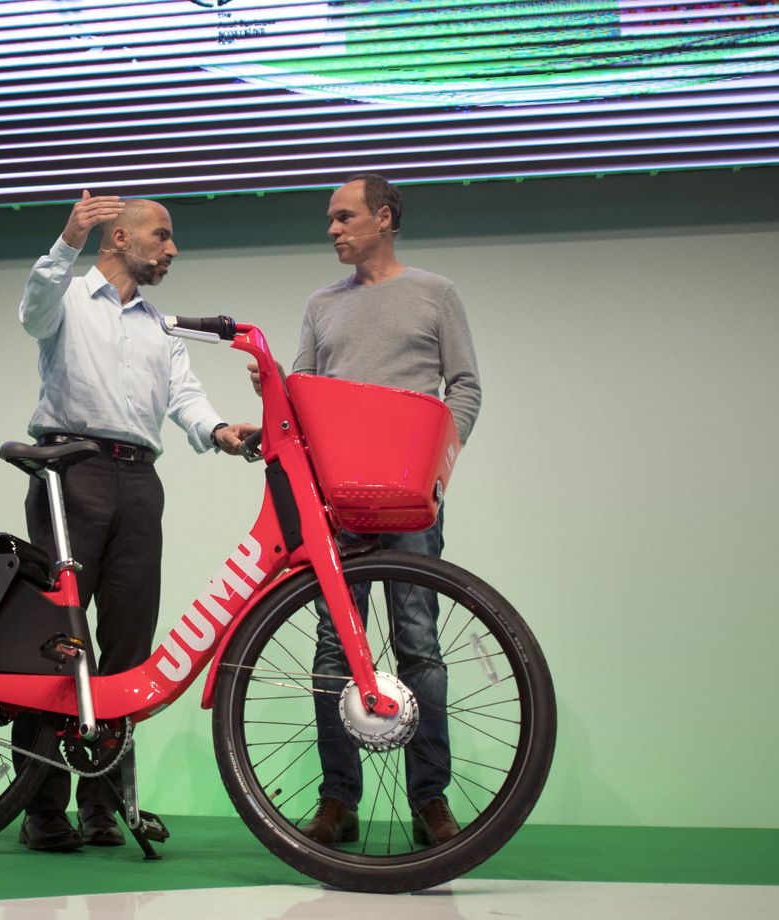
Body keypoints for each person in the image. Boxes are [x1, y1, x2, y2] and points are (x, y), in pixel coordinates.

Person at [13, 190, 257, 852]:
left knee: (127, 651)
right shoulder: (65, 297)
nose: (173, 248)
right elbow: (30, 310)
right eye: (164, 235)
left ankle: (102, 805)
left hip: (139, 484)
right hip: (71, 474)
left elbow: (184, 394)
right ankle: (40, 809)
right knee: (58, 646)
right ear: (119, 239)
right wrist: (66, 239)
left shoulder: (159, 326)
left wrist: (220, 431)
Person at [251, 173, 480, 848]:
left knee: (418, 645)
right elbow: (302, 395)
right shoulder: (321, 306)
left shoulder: (436, 294)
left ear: (384, 218)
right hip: (338, 501)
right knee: (331, 647)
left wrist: (443, 461)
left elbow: (464, 386)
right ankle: (337, 801)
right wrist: (273, 391)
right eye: (331, 219)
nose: (332, 229)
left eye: (344, 217)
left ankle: (429, 802)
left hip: (411, 499)